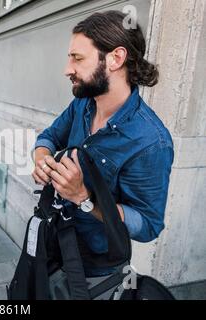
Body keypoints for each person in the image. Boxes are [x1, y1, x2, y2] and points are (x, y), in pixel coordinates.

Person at [32, 11, 174, 276]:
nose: (67, 69)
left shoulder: (151, 141)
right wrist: (42, 160)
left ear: (115, 58)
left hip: (94, 270)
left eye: (78, 58)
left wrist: (84, 198)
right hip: (52, 242)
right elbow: (49, 138)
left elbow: (147, 224)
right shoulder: (82, 103)